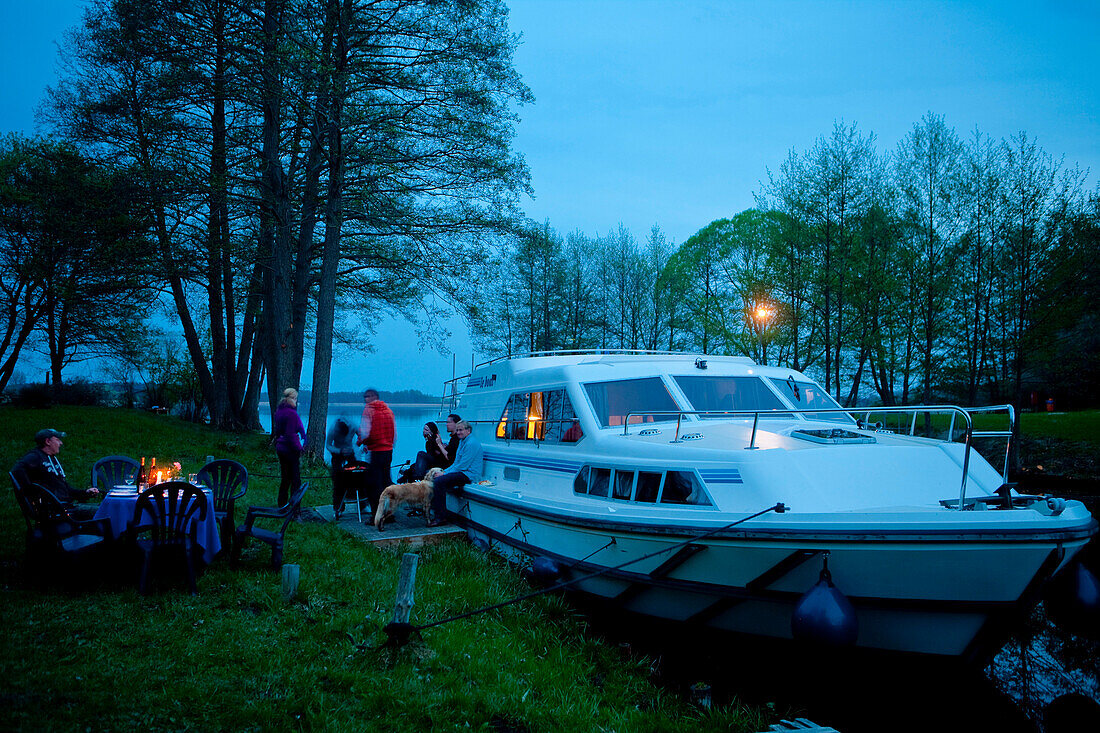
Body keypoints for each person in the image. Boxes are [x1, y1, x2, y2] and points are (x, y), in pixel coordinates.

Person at [12, 428, 100, 518]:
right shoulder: (35, 457)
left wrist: (85, 492)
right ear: (48, 441)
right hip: (57, 510)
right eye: (58, 440)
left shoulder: (52, 459)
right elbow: (16, 471)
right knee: (105, 510)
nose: (61, 443)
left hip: (67, 505)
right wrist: (32, 492)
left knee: (106, 507)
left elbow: (66, 489)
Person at [429, 420, 482, 527]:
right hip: (462, 471)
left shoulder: (471, 443)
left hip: (469, 474)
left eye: (461, 430)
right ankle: (433, 511)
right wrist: (444, 472)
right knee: (434, 475)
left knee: (439, 481)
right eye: (457, 430)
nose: (458, 432)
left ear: (468, 430)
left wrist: (444, 475)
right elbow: (456, 463)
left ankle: (440, 517)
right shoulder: (462, 441)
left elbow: (463, 466)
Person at [357, 388, 395, 517]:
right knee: (387, 482)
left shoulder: (369, 410)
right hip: (388, 451)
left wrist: (360, 442)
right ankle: (390, 513)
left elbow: (365, 432)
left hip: (376, 451)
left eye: (367, 396)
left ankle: (376, 515)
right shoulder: (389, 411)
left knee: (374, 485)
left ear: (373, 397)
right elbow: (394, 434)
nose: (365, 399)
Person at [272, 387, 306, 508]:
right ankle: (295, 508)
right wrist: (300, 448)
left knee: (285, 478)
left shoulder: (279, 411)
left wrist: (301, 431)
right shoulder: (291, 414)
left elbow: (279, 431)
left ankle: (281, 504)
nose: (296, 401)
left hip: (281, 448)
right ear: (292, 399)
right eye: (296, 398)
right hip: (290, 450)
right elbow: (291, 434)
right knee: (295, 480)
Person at [326, 417, 359, 517]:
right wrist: (339, 451)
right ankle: (338, 507)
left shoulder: (353, 426)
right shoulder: (332, 430)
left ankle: (361, 503)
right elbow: (328, 445)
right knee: (337, 479)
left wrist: (362, 445)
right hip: (337, 452)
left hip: (350, 451)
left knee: (357, 476)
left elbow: (361, 437)